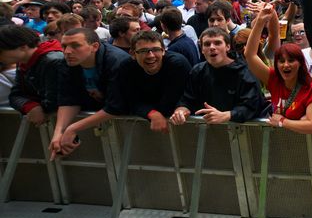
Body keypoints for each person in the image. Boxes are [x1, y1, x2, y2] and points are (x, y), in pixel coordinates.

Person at [50, 28, 130, 158]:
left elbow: (116, 105)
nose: (67, 51)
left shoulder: (118, 61)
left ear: (94, 46)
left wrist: (72, 128)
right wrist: (58, 133)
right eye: (64, 46)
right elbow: (69, 99)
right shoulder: (67, 62)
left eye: (76, 46)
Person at [245, 4, 312, 134]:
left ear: (301, 63)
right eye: (281, 61)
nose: (286, 65)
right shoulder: (274, 79)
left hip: (307, 146)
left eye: (291, 60)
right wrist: (259, 22)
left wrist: (282, 122)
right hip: (280, 144)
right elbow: (250, 55)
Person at [170, 27, 265, 125]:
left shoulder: (245, 72)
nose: (212, 47)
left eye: (217, 43)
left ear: (228, 47)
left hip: (241, 132)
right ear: (202, 49)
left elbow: (254, 105)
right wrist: (181, 111)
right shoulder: (197, 71)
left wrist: (228, 115)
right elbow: (187, 99)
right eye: (207, 44)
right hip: (206, 132)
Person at [120, 30, 191, 133]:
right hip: (146, 126)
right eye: (144, 51)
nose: (151, 55)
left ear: (163, 51)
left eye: (156, 50)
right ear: (133, 53)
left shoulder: (177, 65)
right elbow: (130, 99)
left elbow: (174, 99)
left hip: (179, 125)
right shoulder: (126, 67)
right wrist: (151, 113)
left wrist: (155, 113)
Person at [1, 25, 66, 125]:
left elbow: (54, 102)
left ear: (23, 47)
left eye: (1, 51)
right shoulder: (23, 61)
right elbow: (15, 95)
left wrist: (39, 107)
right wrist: (30, 106)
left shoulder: (53, 62)